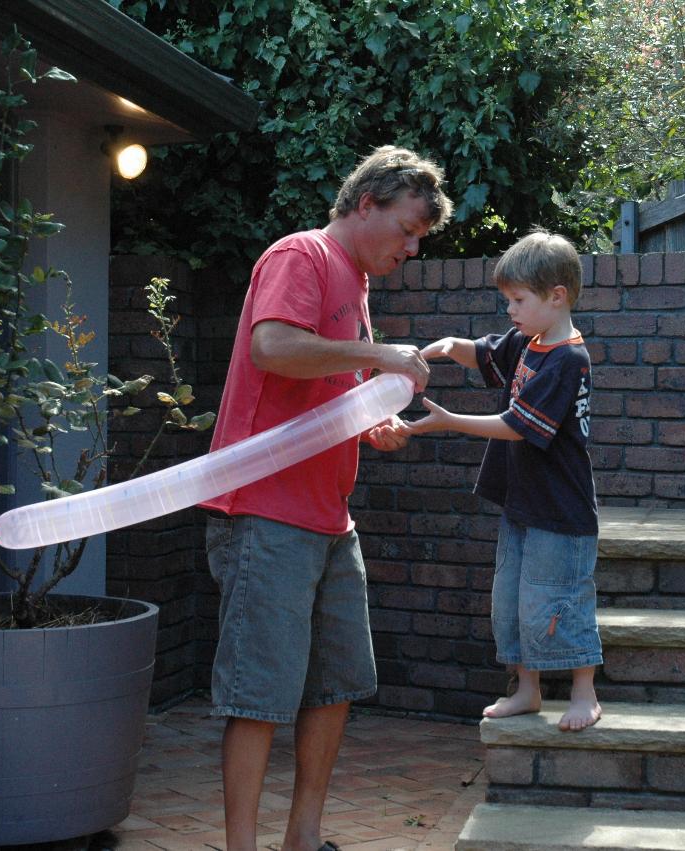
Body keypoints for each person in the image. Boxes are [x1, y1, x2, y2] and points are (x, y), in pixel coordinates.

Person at [199, 145, 452, 851]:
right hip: (262, 512)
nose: (411, 248)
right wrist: (378, 356)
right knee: (258, 695)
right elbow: (274, 348)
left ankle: (302, 839)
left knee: (336, 683)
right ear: (367, 203)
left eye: (419, 238)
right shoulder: (301, 255)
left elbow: (324, 390)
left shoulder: (357, 284)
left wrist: (370, 424)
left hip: (329, 517)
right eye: (407, 229)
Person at [401, 229, 603, 732]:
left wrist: (450, 421)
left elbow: (517, 426)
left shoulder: (568, 359)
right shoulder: (529, 341)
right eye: (508, 300)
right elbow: (485, 353)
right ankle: (527, 689)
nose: (509, 310)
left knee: (561, 596)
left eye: (518, 300)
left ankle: (585, 693)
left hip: (561, 508)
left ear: (557, 297)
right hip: (523, 501)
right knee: (513, 600)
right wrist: (451, 346)